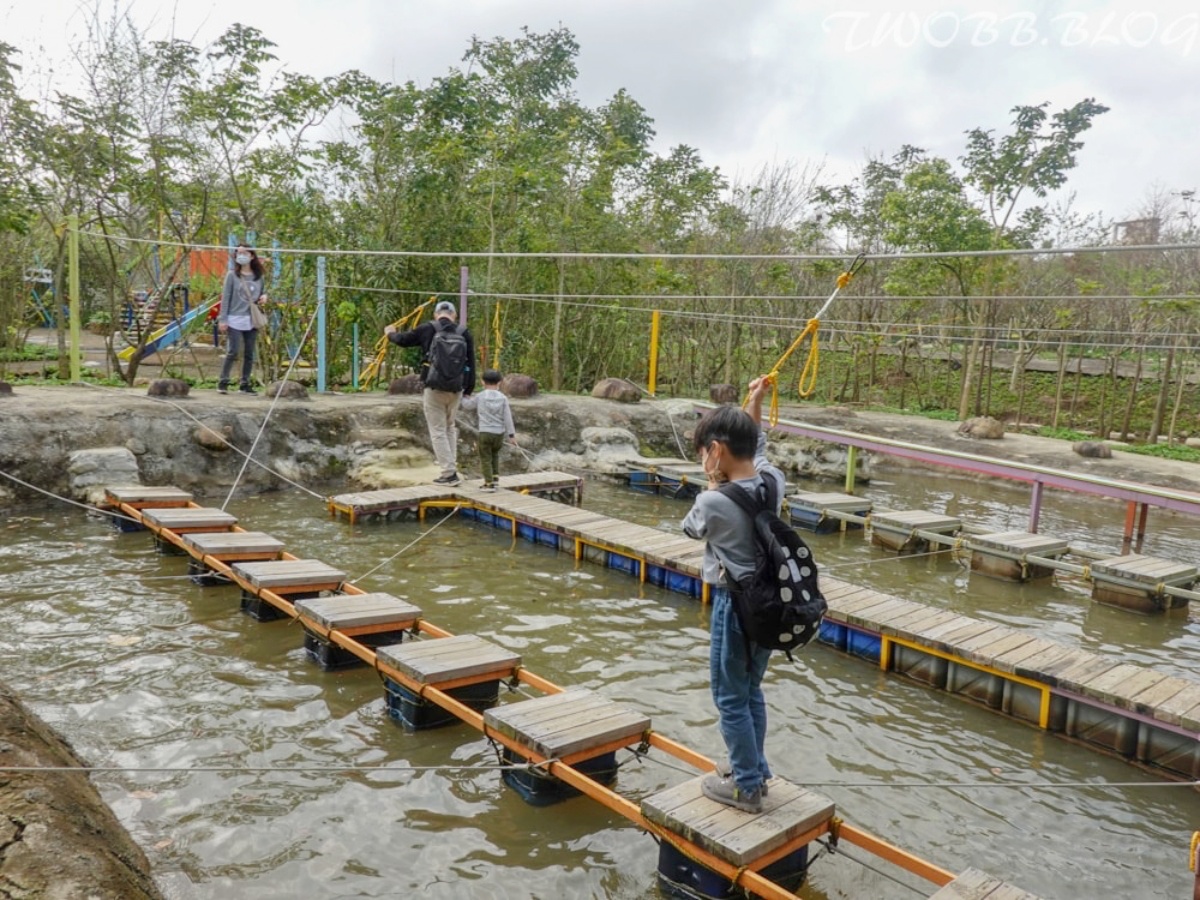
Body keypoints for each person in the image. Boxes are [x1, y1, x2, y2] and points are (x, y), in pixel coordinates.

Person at [681, 376, 786, 815]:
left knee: (729, 696)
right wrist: (754, 400)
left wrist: (709, 483)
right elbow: (755, 447)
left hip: (734, 605)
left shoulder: (713, 502)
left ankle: (745, 787)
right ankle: (755, 770)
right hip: (770, 603)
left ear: (715, 450)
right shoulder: (773, 481)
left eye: (703, 452)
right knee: (751, 690)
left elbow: (691, 528)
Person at [384, 300, 476, 485]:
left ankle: (449, 473)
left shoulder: (428, 328)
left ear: (436, 314)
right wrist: (468, 389)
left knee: (438, 430)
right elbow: (471, 363)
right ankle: (451, 467)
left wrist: (390, 333)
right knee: (449, 427)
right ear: (454, 315)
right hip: (456, 388)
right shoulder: (463, 333)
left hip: (433, 386)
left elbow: (403, 340)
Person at [217, 245, 267, 394]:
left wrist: (265, 296)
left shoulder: (259, 276)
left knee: (249, 353)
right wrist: (223, 319)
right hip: (234, 317)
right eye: (238, 253)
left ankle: (245, 384)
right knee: (233, 350)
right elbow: (226, 298)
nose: (241, 255)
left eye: (244, 253)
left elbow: (262, 292)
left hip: (251, 318)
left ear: (252, 256)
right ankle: (223, 381)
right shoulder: (232, 275)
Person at [460, 369, 516, 491]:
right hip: (499, 433)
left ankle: (488, 483)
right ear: (499, 382)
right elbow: (508, 418)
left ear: (482, 382)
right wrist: (511, 435)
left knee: (485, 458)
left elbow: (467, 405)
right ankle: (495, 479)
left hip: (485, 432)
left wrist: (463, 397)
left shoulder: (480, 396)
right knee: (494, 455)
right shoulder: (503, 398)